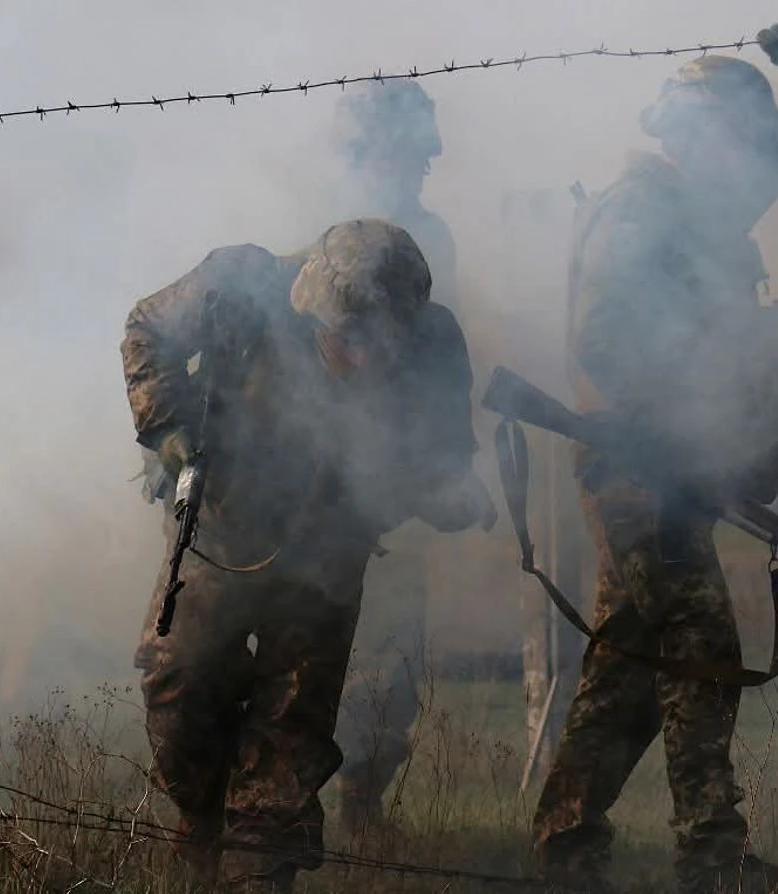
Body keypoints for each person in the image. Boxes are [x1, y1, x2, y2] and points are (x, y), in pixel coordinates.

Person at [531, 21, 778, 894]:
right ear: (700, 133)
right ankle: (712, 856)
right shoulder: (642, 209)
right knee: (702, 647)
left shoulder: (705, 204)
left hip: (671, 470)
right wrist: (676, 429)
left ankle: (564, 845)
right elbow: (602, 337)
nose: (750, 155)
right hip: (638, 470)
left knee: (628, 670)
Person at [121, 218, 498, 893]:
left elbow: (441, 455)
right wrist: (169, 430)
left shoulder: (433, 342)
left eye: (382, 345)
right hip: (222, 530)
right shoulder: (241, 286)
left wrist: (450, 494)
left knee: (291, 724)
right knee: (178, 685)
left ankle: (256, 872)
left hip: (329, 551)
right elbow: (146, 330)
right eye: (348, 341)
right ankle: (204, 818)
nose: (365, 361)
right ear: (312, 308)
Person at [325, 79, 481, 830]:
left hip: (390, 482)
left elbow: (432, 357)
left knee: (389, 657)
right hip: (308, 485)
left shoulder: (429, 236)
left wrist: (438, 466)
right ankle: (270, 805)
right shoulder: (318, 227)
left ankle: (360, 800)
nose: (430, 158)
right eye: (415, 145)